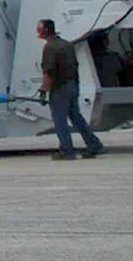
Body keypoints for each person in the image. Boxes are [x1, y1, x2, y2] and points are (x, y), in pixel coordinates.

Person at [37, 18, 103, 160]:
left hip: (60, 88)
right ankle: (94, 145)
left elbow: (49, 72)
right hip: (73, 85)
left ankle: (66, 150)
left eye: (39, 29)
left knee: (59, 120)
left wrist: (43, 91)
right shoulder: (66, 44)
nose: (38, 32)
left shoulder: (50, 47)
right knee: (76, 117)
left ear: (46, 30)